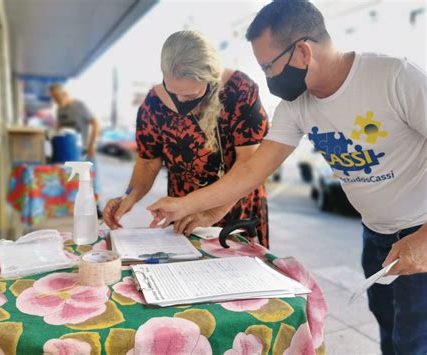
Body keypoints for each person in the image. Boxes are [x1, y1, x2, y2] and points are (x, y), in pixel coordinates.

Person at [148, 1, 427, 354]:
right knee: (391, 328)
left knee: (414, 341)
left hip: (420, 231)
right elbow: (253, 168)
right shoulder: (297, 106)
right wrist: (192, 206)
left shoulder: (394, 77)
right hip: (376, 237)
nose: (267, 77)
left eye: (268, 66)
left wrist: (425, 238)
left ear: (302, 52)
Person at [103, 30, 270, 247]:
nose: (180, 100)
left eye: (190, 95)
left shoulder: (240, 91)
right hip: (183, 213)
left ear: (210, 80)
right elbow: (147, 162)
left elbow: (249, 165)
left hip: (235, 206)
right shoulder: (154, 104)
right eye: (172, 91)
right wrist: (129, 197)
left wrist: (212, 210)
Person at [49, 83, 102, 216]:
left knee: (90, 180)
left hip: (84, 150)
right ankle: (72, 206)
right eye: (53, 99)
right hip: (68, 151)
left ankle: (96, 207)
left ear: (63, 94)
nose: (56, 101)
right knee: (70, 179)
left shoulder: (79, 106)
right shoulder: (60, 110)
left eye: (57, 97)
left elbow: (96, 123)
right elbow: (59, 126)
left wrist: (92, 145)